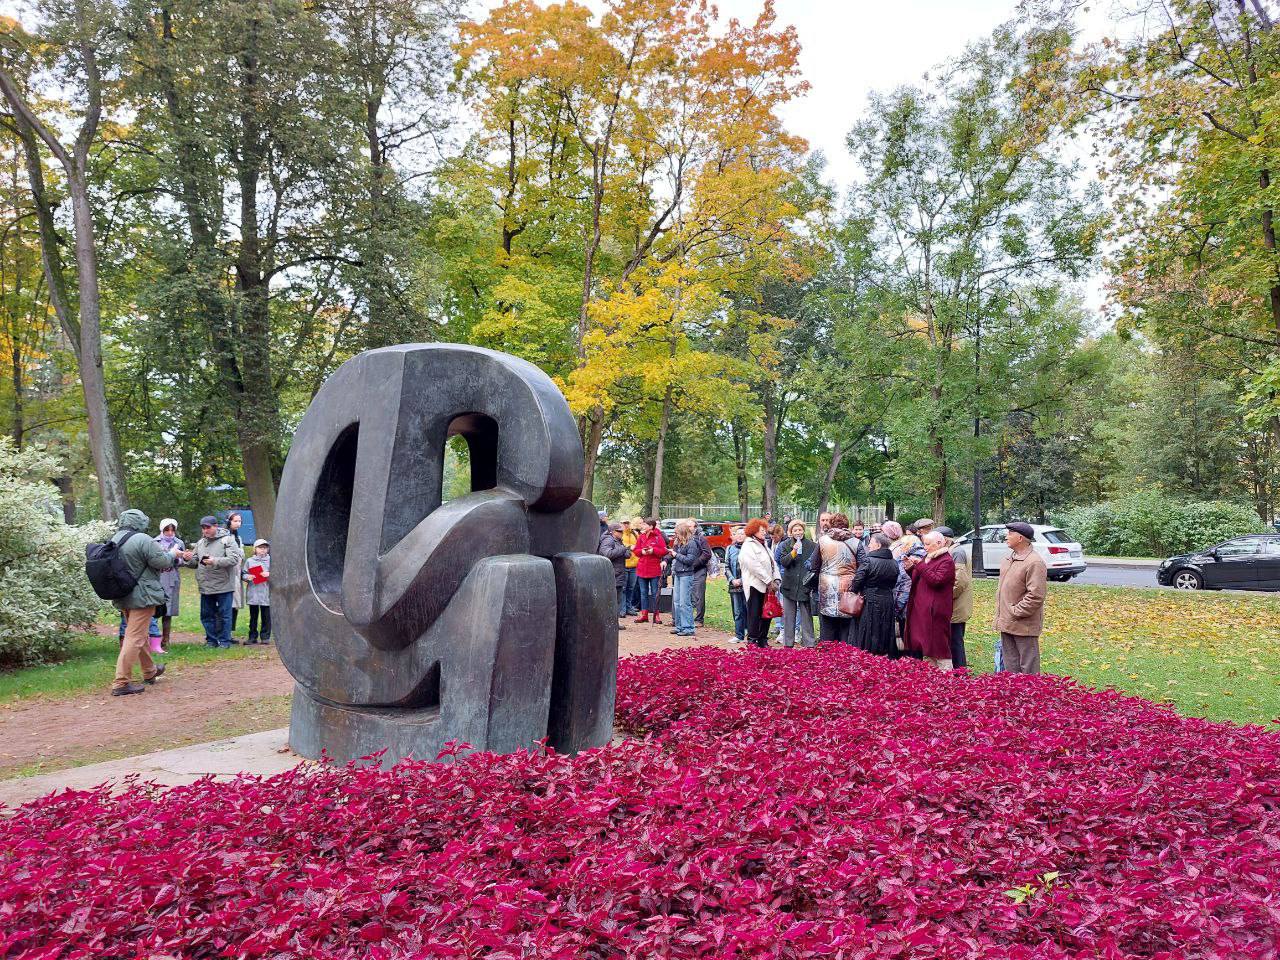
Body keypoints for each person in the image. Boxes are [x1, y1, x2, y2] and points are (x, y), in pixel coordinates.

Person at [109, 509, 191, 696]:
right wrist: (173, 554)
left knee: (139, 634)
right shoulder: (142, 539)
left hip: (124, 593)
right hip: (142, 595)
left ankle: (149, 671)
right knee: (135, 637)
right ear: (139, 522)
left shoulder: (115, 538)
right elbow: (161, 562)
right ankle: (121, 682)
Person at [996, 521, 1048, 674]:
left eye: (1010, 533)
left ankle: (1031, 697)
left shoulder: (1034, 562)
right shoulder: (1009, 559)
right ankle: (1014, 697)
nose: (1007, 536)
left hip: (1023, 625)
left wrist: (1015, 611)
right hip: (1007, 623)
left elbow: (1036, 595)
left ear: (1020, 538)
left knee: (1028, 669)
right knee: (1010, 666)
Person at [903, 530, 957, 669]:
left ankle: (946, 676)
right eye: (924, 544)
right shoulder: (928, 558)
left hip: (936, 611)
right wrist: (910, 569)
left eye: (927, 544)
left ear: (939, 543)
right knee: (926, 645)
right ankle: (931, 677)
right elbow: (921, 578)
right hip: (922, 609)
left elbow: (936, 580)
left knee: (939, 646)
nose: (925, 547)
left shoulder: (946, 560)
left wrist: (920, 565)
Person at [194, 515, 244, 649]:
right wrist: (186, 558)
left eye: (208, 527)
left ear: (216, 526)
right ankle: (211, 641)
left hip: (224, 585)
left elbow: (234, 559)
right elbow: (194, 561)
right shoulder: (200, 543)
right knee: (206, 615)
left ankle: (225, 642)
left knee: (224, 615)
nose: (205, 530)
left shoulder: (228, 540)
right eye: (203, 528)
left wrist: (215, 561)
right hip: (206, 585)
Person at [853, 532, 901, 657]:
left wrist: (855, 590)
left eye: (871, 543)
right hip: (888, 599)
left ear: (878, 545)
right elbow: (895, 582)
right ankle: (885, 655)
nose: (868, 546)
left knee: (869, 627)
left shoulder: (868, 561)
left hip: (870, 599)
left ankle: (868, 655)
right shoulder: (894, 562)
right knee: (885, 628)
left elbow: (858, 580)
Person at [814, 513, 858, 644]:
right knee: (846, 624)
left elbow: (813, 564)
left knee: (827, 623)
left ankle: (827, 657)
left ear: (831, 524)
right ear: (847, 525)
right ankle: (845, 655)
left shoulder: (822, 541)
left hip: (827, 586)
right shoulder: (856, 542)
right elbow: (864, 565)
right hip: (848, 586)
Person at [739, 518, 781, 648]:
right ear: (753, 531)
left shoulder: (765, 545)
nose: (764, 532)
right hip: (755, 585)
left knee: (767, 613)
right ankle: (753, 640)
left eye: (764, 530)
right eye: (761, 530)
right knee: (755, 614)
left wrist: (777, 579)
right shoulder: (748, 545)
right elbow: (754, 566)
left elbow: (773, 563)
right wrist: (768, 580)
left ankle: (763, 639)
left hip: (769, 587)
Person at [777, 519, 817, 648]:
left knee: (806, 616)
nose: (798, 532)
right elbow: (783, 562)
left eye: (800, 529)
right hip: (789, 585)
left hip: (805, 585)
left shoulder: (811, 545)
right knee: (789, 616)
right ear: (791, 532)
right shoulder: (785, 544)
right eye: (795, 530)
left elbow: (815, 564)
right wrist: (793, 552)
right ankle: (788, 643)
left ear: (803, 530)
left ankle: (809, 643)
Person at [154, 518, 192, 651]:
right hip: (157, 578)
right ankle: (153, 639)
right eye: (167, 530)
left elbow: (182, 562)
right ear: (162, 530)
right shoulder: (154, 542)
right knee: (154, 609)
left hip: (172, 578)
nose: (170, 533)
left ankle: (166, 640)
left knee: (168, 610)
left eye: (172, 530)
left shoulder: (179, 542)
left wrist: (184, 558)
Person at [939, 526, 971, 669]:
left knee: (955, 641)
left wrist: (944, 597)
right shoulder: (951, 551)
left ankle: (960, 672)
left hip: (955, 606)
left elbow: (960, 581)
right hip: (952, 605)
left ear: (945, 540)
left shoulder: (957, 552)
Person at [632, 518, 668, 625]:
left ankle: (656, 615)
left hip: (654, 569)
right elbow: (636, 551)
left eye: (645, 524)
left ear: (651, 526)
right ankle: (644, 615)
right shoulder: (641, 537)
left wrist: (653, 551)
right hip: (642, 569)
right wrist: (642, 551)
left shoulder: (658, 537)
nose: (643, 526)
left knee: (654, 593)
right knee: (643, 593)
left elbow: (664, 551)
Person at [597, 521, 631, 631]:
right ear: (612, 531)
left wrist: (625, 549)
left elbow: (627, 555)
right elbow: (606, 554)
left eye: (622, 531)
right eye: (619, 531)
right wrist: (623, 549)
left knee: (617, 601)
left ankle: (614, 622)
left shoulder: (618, 540)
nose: (622, 533)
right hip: (612, 575)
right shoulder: (608, 540)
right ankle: (609, 623)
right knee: (611, 601)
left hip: (618, 574)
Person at [669, 519, 700, 637]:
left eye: (677, 533)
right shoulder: (678, 543)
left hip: (687, 574)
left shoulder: (692, 543)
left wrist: (676, 555)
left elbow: (690, 560)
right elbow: (673, 555)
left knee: (684, 602)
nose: (675, 535)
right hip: (678, 573)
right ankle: (679, 626)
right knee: (676, 601)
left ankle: (688, 627)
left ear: (682, 532)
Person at [243, 538, 273, 644]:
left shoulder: (271, 561)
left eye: (265, 548)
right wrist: (248, 577)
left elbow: (279, 574)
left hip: (266, 592)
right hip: (253, 592)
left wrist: (269, 574)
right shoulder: (249, 561)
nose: (262, 550)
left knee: (266, 616)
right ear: (255, 549)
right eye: (260, 548)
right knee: (253, 617)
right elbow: (244, 574)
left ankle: (265, 637)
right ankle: (252, 637)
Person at [724, 524, 748, 642]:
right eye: (738, 533)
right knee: (737, 610)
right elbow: (726, 566)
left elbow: (751, 567)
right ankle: (739, 634)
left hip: (747, 583)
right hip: (734, 583)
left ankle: (749, 631)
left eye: (742, 533)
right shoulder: (730, 548)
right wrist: (732, 579)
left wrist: (742, 580)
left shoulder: (749, 549)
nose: (739, 536)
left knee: (748, 608)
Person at [688, 521, 713, 626]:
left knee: (699, 595)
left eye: (689, 526)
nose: (687, 528)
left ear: (695, 527)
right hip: (686, 571)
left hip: (699, 570)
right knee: (689, 595)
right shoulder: (684, 538)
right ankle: (687, 618)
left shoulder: (701, 538)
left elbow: (707, 553)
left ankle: (699, 619)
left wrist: (695, 563)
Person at [226, 511, 245, 639]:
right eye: (235, 521)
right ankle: (223, 633)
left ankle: (230, 633)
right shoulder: (225, 537)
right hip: (227, 574)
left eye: (239, 521)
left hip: (237, 574)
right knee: (227, 603)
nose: (238, 523)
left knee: (235, 604)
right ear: (229, 522)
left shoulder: (238, 537)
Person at [621, 518, 641, 616]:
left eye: (627, 523)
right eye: (624, 523)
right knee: (623, 588)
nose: (626, 525)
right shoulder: (620, 534)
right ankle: (622, 609)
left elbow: (639, 545)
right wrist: (629, 547)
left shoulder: (634, 534)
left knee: (631, 588)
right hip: (624, 565)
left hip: (634, 565)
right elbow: (620, 546)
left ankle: (629, 607)